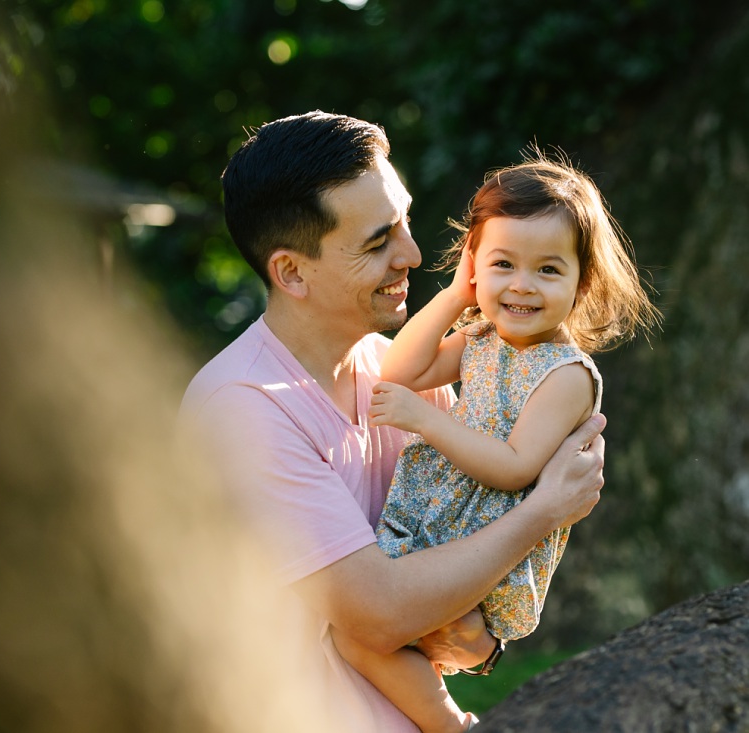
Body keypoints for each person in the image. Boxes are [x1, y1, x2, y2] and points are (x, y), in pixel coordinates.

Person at [179, 111, 608, 731]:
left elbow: (456, 562)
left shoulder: (394, 367)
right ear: (292, 271)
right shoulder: (244, 405)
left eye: (403, 220)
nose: (411, 252)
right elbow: (380, 613)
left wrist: (482, 643)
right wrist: (546, 507)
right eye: (378, 241)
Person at [332, 154, 660, 731]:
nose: (522, 286)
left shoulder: (565, 374)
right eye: (502, 264)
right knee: (366, 635)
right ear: (476, 266)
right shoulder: (483, 335)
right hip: (437, 524)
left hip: (486, 546)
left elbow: (514, 467)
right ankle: (453, 722)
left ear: (582, 281)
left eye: (548, 270)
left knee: (371, 634)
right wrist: (458, 296)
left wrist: (428, 423)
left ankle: (446, 721)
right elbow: (402, 373)